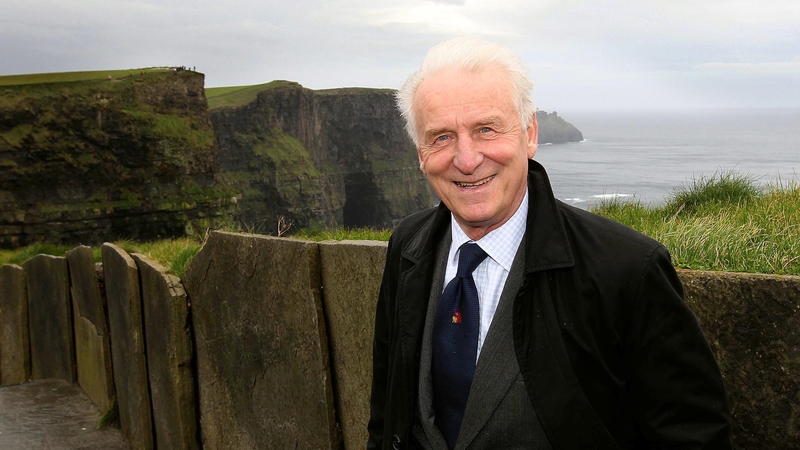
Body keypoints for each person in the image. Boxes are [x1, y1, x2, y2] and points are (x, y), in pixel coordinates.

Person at [367, 37, 732, 450]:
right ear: (420, 153)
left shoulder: (626, 268)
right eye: (441, 137)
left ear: (529, 134)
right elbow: (386, 412)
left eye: (486, 129)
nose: (466, 160)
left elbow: (694, 435)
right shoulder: (408, 246)